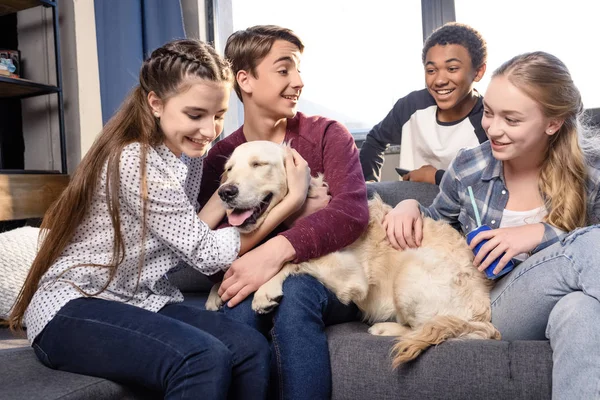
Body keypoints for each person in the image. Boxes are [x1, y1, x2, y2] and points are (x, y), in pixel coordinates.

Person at [8, 39, 312, 400]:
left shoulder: (191, 156)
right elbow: (205, 253)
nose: (209, 130)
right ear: (156, 103)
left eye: (218, 116)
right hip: (72, 307)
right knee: (201, 358)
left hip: (140, 299)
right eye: (195, 114)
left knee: (250, 349)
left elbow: (192, 226)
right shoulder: (135, 160)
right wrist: (291, 200)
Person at [384, 51, 600, 398]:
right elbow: (438, 224)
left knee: (581, 311)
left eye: (511, 120)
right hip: (491, 303)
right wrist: (409, 204)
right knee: (589, 244)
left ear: (552, 123)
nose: (493, 129)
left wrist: (538, 234)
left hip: (566, 301)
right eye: (488, 113)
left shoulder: (590, 169)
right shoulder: (470, 166)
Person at [198, 25, 369, 399]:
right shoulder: (220, 159)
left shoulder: (326, 135)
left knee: (295, 295)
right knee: (237, 307)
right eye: (284, 70)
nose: (298, 82)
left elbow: (352, 215)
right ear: (245, 80)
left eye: (298, 70)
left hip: (330, 277)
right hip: (250, 279)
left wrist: (276, 250)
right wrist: (298, 208)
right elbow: (205, 249)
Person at [359, 22, 488, 184]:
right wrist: (369, 188)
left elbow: (492, 186)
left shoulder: (489, 120)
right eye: (431, 71)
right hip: (408, 205)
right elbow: (374, 141)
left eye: (452, 68)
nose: (439, 80)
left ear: (478, 72)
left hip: (464, 208)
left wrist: (436, 177)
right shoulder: (411, 106)